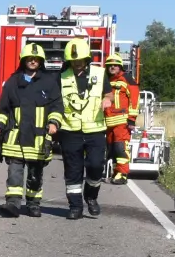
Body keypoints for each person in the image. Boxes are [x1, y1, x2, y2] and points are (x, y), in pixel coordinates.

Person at [0, 44, 61, 218]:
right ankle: (13, 203)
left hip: (38, 138)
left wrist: (53, 122)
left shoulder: (49, 82)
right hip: (16, 137)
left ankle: (33, 204)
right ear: (23, 60)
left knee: (35, 174)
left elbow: (57, 106)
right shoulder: (13, 82)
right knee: (14, 172)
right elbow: (3, 108)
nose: (33, 61)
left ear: (41, 61)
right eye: (29, 58)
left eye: (36, 59)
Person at [57, 38, 108, 219]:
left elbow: (108, 93)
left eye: (80, 60)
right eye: (73, 60)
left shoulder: (100, 73)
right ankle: (75, 207)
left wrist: (107, 99)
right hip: (70, 130)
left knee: (96, 166)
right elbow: (56, 101)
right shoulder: (61, 77)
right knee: (73, 171)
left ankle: (91, 196)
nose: (77, 63)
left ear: (87, 58)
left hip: (95, 129)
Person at [102, 52, 139, 184]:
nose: (112, 67)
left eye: (115, 65)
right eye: (110, 65)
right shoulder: (104, 80)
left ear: (120, 66)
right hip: (107, 121)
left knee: (120, 147)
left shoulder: (127, 79)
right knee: (111, 148)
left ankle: (122, 174)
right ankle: (114, 172)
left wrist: (131, 119)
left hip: (122, 121)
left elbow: (134, 99)